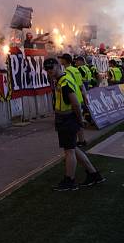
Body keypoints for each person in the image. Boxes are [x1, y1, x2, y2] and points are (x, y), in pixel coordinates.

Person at [44, 57, 104, 190]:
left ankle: (69, 181)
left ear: (58, 66)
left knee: (69, 151)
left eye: (51, 68)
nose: (49, 71)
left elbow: (75, 103)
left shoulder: (64, 82)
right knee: (73, 148)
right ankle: (94, 174)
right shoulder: (63, 79)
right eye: (46, 69)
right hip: (66, 119)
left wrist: (79, 119)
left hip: (67, 119)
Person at [59, 54, 88, 147]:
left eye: (61, 59)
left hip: (73, 97)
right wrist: (84, 95)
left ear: (65, 61)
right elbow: (81, 84)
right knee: (79, 119)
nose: (60, 60)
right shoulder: (76, 70)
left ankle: (77, 141)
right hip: (78, 97)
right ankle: (82, 140)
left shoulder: (67, 71)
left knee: (75, 121)